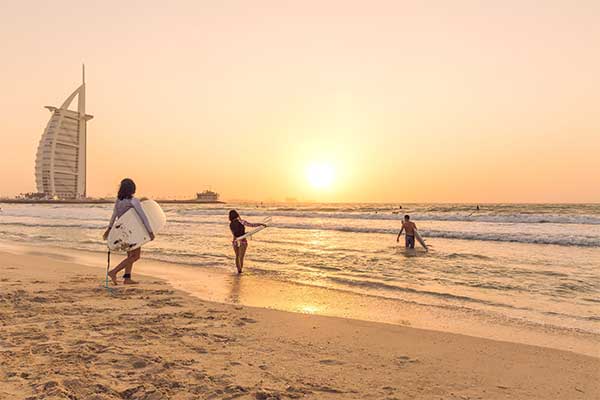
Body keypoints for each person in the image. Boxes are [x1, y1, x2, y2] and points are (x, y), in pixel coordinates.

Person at [102, 178, 155, 284]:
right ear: (132, 188)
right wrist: (150, 231)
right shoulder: (134, 201)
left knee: (130, 256)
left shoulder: (119, 201)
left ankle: (127, 278)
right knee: (136, 256)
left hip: (123, 231)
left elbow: (114, 216)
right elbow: (143, 216)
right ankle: (114, 271)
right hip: (133, 232)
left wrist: (109, 229)